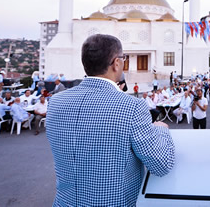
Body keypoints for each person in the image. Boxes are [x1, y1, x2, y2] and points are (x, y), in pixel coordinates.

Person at [47, 34, 175, 206]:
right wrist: (160, 129)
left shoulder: (56, 102)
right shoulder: (132, 107)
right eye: (124, 59)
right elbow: (161, 164)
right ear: (116, 63)